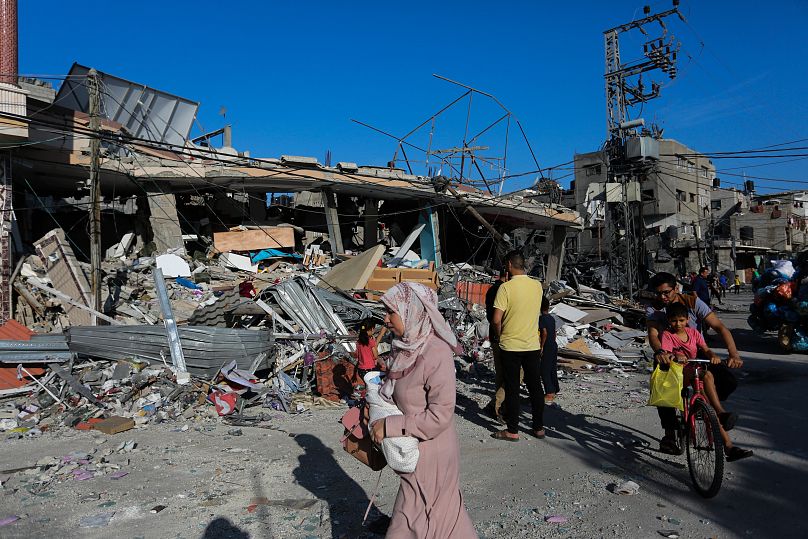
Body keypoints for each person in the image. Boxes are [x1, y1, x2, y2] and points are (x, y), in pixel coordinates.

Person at [369, 282, 477, 538]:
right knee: (436, 517)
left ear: (411, 311)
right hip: (416, 446)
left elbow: (440, 415)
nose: (386, 319)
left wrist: (390, 426)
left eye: (391, 312)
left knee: (420, 516)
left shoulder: (436, 353)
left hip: (433, 454)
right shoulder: (406, 348)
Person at [645, 272, 743, 455]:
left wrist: (733, 354)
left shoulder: (692, 302)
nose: (662, 297)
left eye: (666, 292)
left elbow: (720, 327)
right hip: (669, 354)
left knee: (728, 380)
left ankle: (706, 408)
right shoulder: (655, 308)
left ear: (676, 289)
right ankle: (669, 435)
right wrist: (660, 352)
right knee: (663, 387)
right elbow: (653, 334)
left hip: (696, 352)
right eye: (658, 293)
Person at [659, 303, 753, 462]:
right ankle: (720, 413)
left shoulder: (694, 333)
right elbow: (666, 352)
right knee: (705, 374)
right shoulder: (667, 335)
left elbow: (705, 348)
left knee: (708, 398)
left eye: (681, 320)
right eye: (674, 321)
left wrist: (713, 356)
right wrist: (675, 355)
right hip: (679, 372)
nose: (678, 324)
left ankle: (729, 445)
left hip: (696, 369)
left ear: (688, 319)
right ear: (669, 321)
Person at [490, 250, 545, 441]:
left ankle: (512, 430)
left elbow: (496, 319)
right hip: (531, 344)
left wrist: (499, 335)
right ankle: (538, 427)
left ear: (509, 265)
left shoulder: (505, 288)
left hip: (510, 345)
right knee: (535, 387)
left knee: (512, 388)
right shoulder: (537, 286)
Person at [483, 271, 507, 422]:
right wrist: (500, 335)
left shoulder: (492, 290)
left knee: (501, 373)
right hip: (503, 337)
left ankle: (497, 404)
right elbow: (496, 319)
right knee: (514, 374)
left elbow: (489, 316)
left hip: (496, 337)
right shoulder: (504, 290)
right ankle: (496, 405)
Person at [539, 297, 559, 404]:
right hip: (553, 345)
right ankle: (555, 388)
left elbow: (544, 333)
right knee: (552, 368)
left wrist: (542, 346)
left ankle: (549, 392)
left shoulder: (542, 319)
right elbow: (554, 333)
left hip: (547, 346)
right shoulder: (551, 318)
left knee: (544, 370)